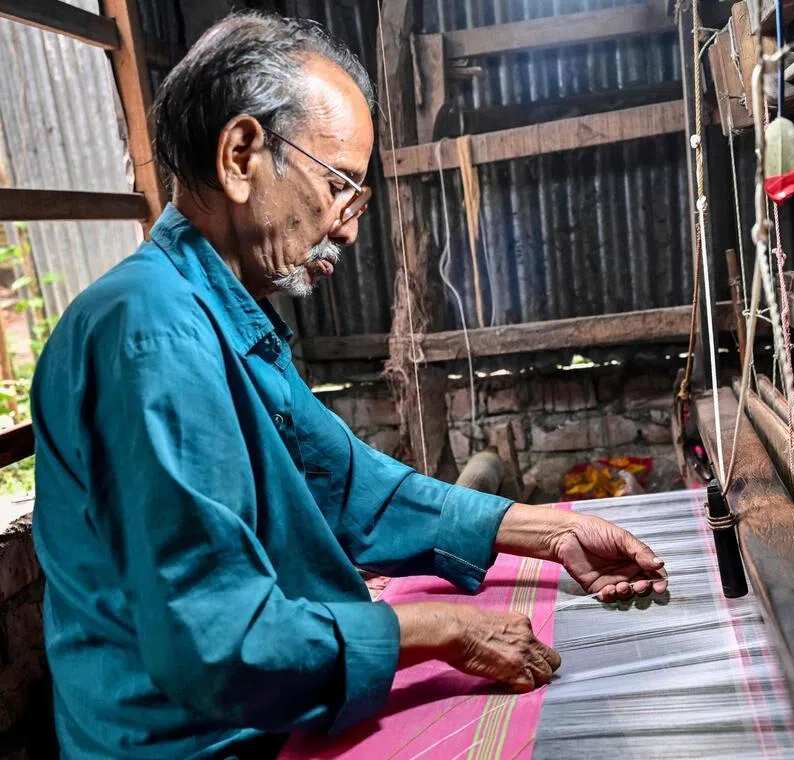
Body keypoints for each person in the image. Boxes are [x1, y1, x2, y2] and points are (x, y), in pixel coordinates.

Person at [29, 11, 667, 759]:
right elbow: (220, 646)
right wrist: (440, 629)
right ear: (241, 154)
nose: (349, 227)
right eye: (339, 187)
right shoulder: (152, 337)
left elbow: (347, 485)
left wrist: (549, 531)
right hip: (199, 744)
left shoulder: (216, 314)